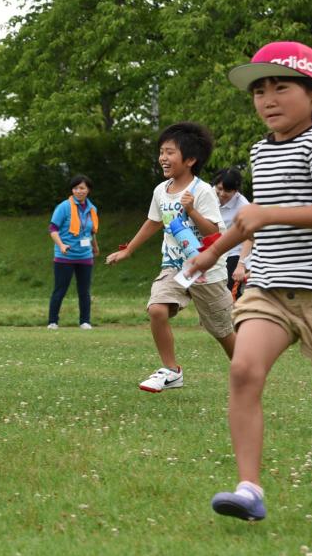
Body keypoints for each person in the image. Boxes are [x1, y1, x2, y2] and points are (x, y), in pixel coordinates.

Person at [184, 41, 312, 521]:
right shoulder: (261, 151)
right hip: (270, 286)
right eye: (259, 91)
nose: (268, 99)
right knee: (243, 370)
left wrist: (269, 213)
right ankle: (249, 489)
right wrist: (212, 254)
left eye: (281, 87)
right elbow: (251, 223)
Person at [105, 122, 236, 392]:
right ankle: (171, 370)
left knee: (222, 332)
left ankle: (247, 371)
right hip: (175, 267)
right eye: (161, 151)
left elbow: (215, 235)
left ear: (190, 159)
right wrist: (128, 250)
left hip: (206, 270)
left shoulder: (202, 192)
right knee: (156, 309)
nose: (163, 158)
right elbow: (154, 222)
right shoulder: (160, 191)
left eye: (170, 152)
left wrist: (193, 211)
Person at [46, 174, 99, 329]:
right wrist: (61, 245)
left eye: (82, 188)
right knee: (60, 290)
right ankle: (53, 322)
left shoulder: (92, 209)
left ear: (88, 190)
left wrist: (95, 246)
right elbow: (53, 229)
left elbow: (91, 231)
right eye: (75, 188)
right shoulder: (64, 207)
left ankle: (85, 321)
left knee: (84, 291)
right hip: (65, 256)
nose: (79, 191)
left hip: (85, 256)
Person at [212, 167, 251, 299]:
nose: (222, 193)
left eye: (227, 191)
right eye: (219, 188)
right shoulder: (208, 195)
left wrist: (241, 265)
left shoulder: (243, 206)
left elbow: (249, 237)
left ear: (236, 190)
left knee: (228, 294)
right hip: (213, 250)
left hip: (234, 252)